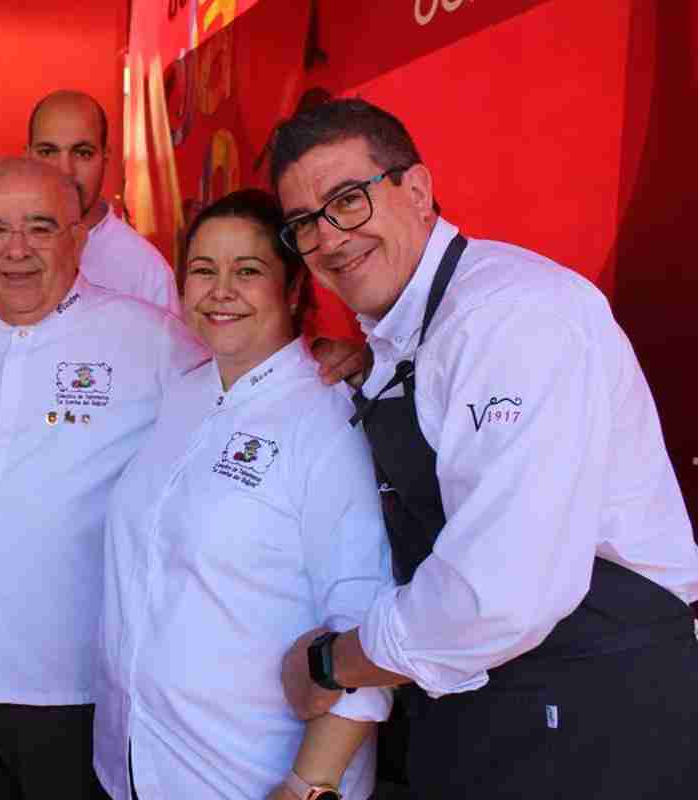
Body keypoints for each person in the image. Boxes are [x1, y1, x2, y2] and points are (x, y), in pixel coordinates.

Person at [270, 98, 698, 799]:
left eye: (347, 199)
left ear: (417, 189)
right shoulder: (405, 335)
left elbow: (498, 593)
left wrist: (331, 664)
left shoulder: (514, 318)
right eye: (303, 224)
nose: (329, 238)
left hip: (590, 711)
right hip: (487, 711)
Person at [0, 157, 208, 800]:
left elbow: (240, 409)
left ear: (77, 238)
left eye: (40, 228)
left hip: (76, 689)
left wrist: (330, 358)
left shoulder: (150, 339)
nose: (16, 250)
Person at [95, 189, 391, 800]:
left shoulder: (327, 418)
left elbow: (368, 620)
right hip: (139, 764)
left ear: (291, 291)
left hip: (253, 776)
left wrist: (309, 786)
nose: (220, 290)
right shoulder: (182, 394)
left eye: (247, 271)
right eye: (203, 270)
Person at [0, 89, 181, 393]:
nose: (64, 170)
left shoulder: (145, 270)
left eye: (82, 153)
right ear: (28, 154)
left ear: (106, 157)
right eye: (48, 151)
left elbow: (171, 389)